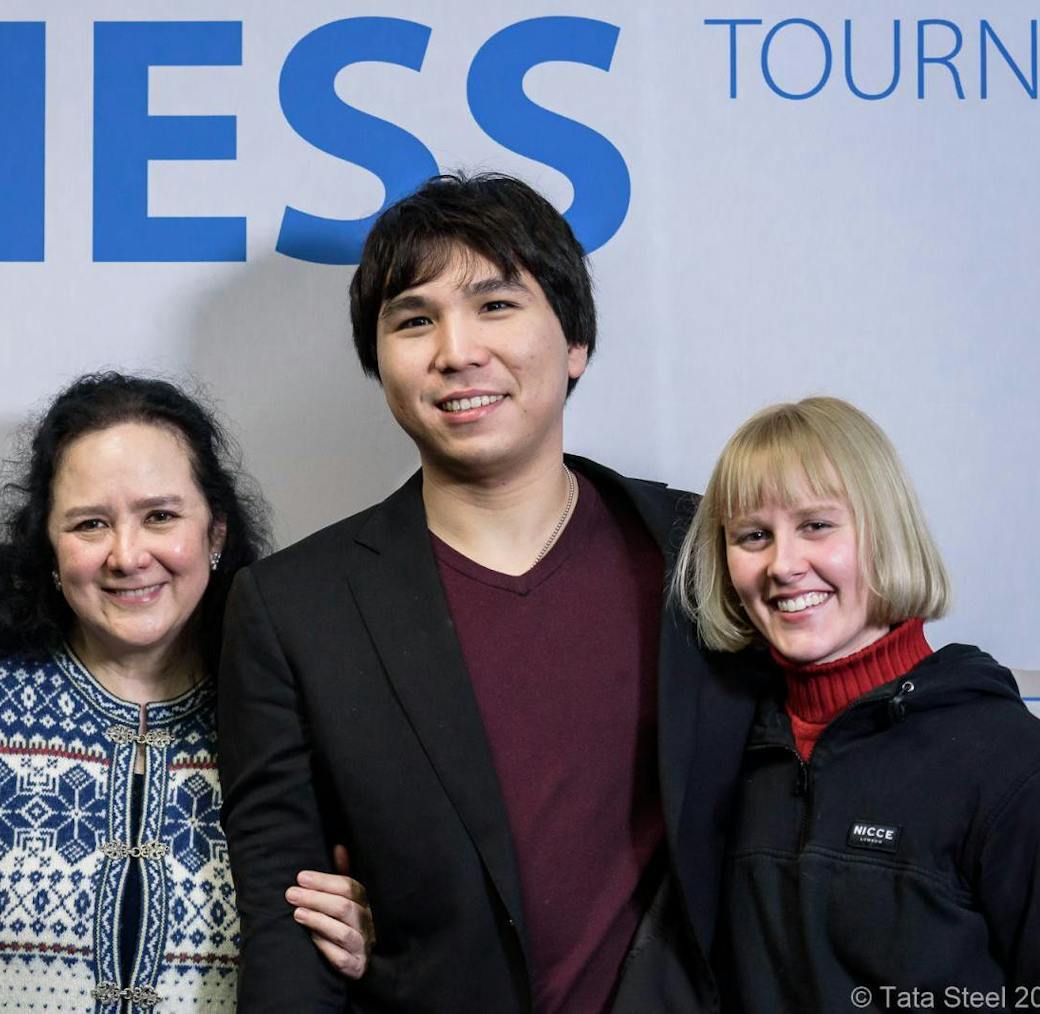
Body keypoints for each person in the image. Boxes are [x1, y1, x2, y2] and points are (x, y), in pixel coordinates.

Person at [217, 173, 756, 1012]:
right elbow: (288, 928)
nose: (457, 350)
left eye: (496, 305)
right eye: (414, 319)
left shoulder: (708, 549)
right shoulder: (293, 610)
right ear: (381, 363)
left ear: (574, 342)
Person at [0, 373, 373, 1012]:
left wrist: (368, 945)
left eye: (160, 516)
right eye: (90, 524)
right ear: (50, 550)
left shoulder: (294, 727)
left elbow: (401, 942)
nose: (127, 555)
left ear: (215, 535)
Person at [672, 396, 1040, 1012]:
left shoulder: (1008, 762)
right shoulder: (723, 748)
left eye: (816, 525)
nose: (783, 566)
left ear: (885, 530)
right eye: (753, 535)